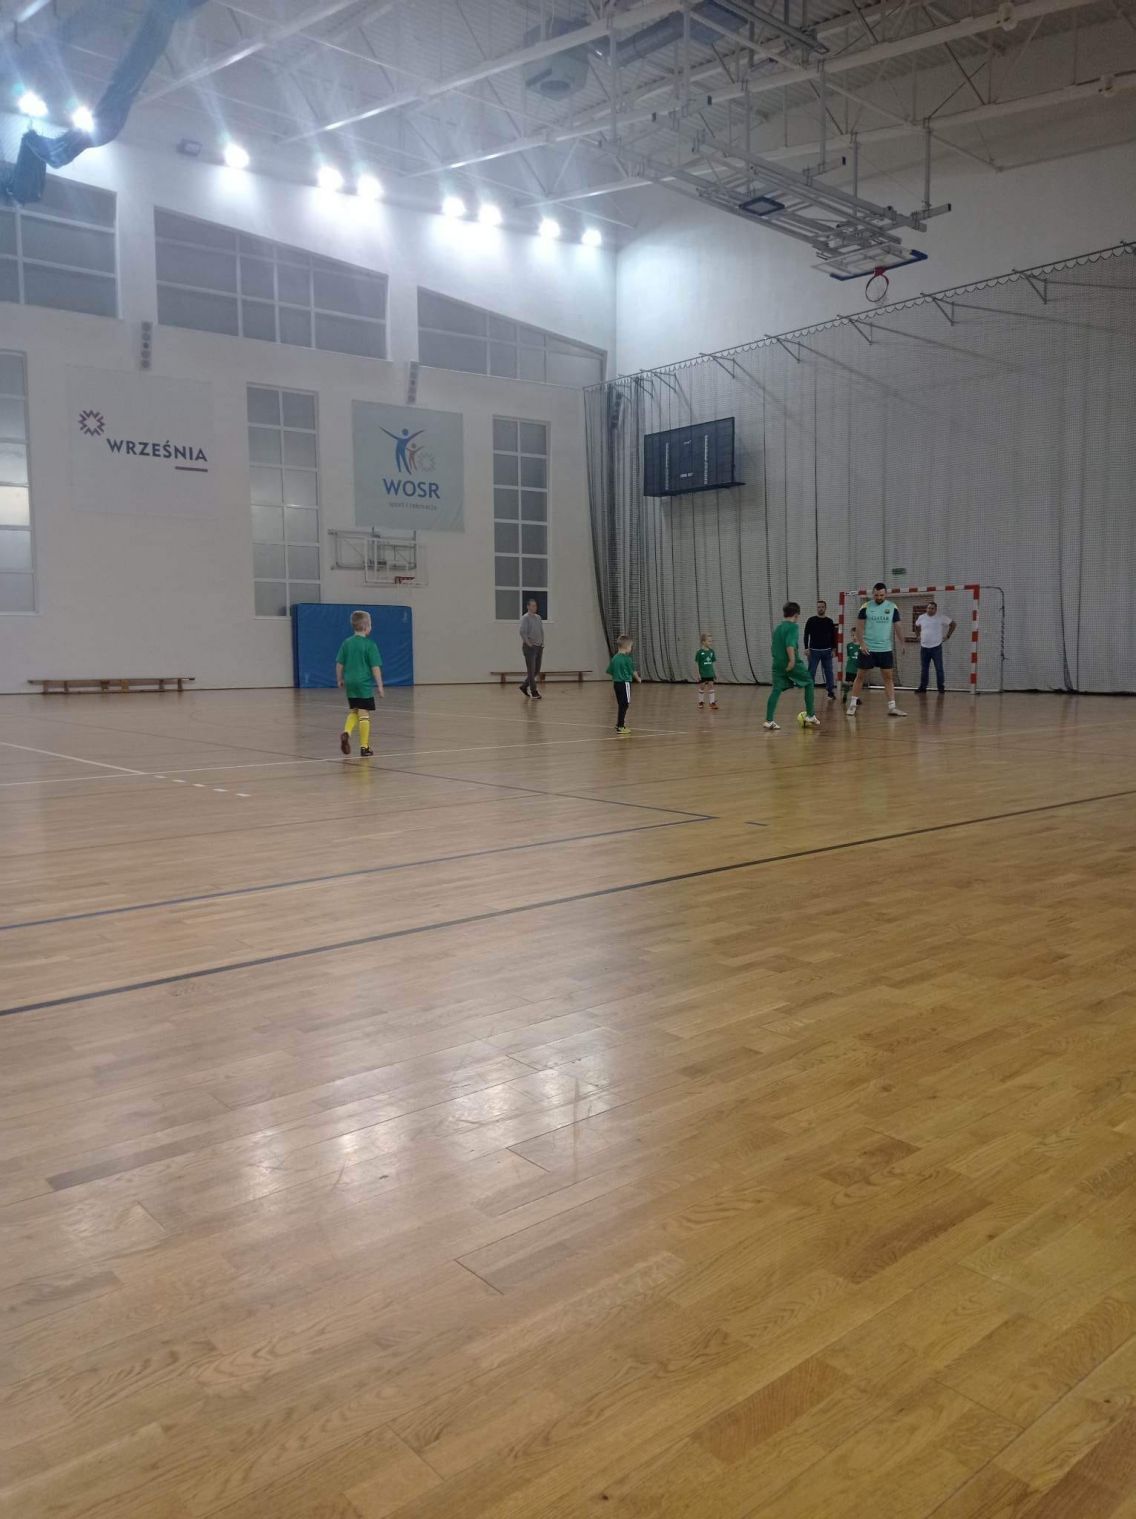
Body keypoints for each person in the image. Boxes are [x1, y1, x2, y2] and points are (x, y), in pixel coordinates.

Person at [847, 583, 905, 718]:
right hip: (868, 648)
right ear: (873, 594)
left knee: (888, 677)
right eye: (876, 595)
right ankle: (853, 704)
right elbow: (859, 627)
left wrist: (902, 642)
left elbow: (898, 626)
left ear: (886, 594)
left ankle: (892, 707)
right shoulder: (865, 607)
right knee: (860, 676)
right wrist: (862, 644)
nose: (879, 597)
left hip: (885, 649)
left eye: (882, 595)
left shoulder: (892, 607)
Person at [764, 602, 819, 731]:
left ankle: (769, 720)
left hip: (777, 663)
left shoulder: (778, 628)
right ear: (796, 615)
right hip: (790, 661)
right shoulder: (793, 627)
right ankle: (810, 715)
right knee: (809, 682)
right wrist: (792, 660)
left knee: (776, 690)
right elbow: (790, 644)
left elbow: (773, 646)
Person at [336, 610, 384, 757]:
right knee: (364, 713)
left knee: (354, 711)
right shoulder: (370, 645)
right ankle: (364, 747)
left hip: (350, 682)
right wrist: (380, 686)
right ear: (366, 627)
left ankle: (347, 732)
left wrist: (339, 679)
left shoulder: (347, 643)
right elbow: (375, 667)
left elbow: (339, 664)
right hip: (363, 683)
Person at [915, 600, 956, 694]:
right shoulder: (921, 617)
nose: (930, 610)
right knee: (924, 669)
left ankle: (941, 687)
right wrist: (917, 636)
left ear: (935, 610)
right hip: (924, 647)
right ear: (926, 608)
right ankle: (923, 687)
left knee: (939, 668)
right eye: (928, 608)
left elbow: (953, 624)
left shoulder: (941, 617)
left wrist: (948, 636)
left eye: (932, 608)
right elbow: (916, 626)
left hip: (936, 648)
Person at [606, 634, 641, 734]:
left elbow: (610, 671)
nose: (631, 648)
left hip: (616, 684)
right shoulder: (627, 659)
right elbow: (632, 671)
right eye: (630, 646)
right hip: (625, 684)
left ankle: (619, 724)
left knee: (621, 704)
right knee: (625, 704)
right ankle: (621, 726)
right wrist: (638, 678)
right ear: (626, 647)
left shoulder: (614, 658)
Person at [803, 599, 837, 700]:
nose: (820, 609)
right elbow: (806, 634)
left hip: (827, 651)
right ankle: (809, 691)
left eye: (822, 607)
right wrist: (806, 648)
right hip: (814, 651)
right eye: (819, 607)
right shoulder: (811, 620)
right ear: (816, 608)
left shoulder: (829, 621)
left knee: (829, 672)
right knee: (811, 672)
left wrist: (834, 649)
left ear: (825, 608)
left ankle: (830, 692)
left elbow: (833, 636)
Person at [519, 598, 544, 700]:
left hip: (539, 646)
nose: (535, 607)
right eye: (532, 606)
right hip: (530, 648)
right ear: (528, 606)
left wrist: (542, 643)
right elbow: (522, 632)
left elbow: (541, 631)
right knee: (531, 670)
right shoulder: (525, 618)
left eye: (535, 605)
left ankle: (524, 686)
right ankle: (534, 691)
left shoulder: (538, 618)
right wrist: (529, 643)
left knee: (536, 670)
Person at [695, 633, 718, 709]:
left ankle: (712, 703)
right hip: (703, 673)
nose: (710, 643)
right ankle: (701, 702)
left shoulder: (711, 651)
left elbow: (712, 663)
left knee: (711, 686)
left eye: (711, 641)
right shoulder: (699, 652)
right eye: (709, 641)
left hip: (710, 673)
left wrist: (714, 672)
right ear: (703, 642)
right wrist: (698, 673)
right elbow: (696, 664)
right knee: (702, 687)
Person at [841, 628, 862, 701]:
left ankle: (856, 698)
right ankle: (845, 694)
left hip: (858, 668)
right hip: (850, 668)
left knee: (857, 683)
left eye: (855, 635)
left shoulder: (862, 646)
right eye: (852, 635)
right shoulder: (849, 645)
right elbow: (849, 656)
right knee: (849, 682)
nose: (853, 637)